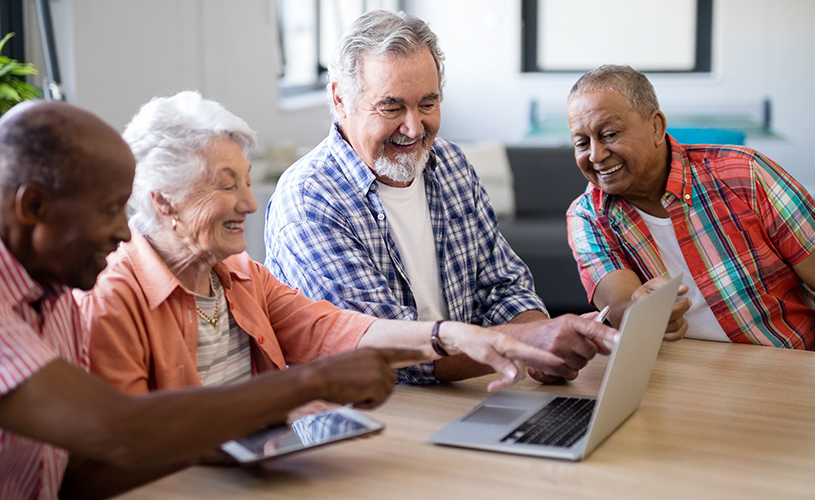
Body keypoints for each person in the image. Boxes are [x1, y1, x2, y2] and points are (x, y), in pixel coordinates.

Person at [0, 100, 436, 498]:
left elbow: (80, 474)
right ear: (32, 208)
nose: (125, 235)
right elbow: (117, 430)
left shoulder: (51, 289)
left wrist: (225, 438)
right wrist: (311, 383)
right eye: (107, 211)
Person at [78, 91, 608, 398]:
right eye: (226, 184)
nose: (250, 203)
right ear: (164, 200)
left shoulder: (239, 276)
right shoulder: (113, 297)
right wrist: (287, 401)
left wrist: (460, 336)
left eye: (246, 182)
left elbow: (340, 328)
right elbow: (127, 445)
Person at [264, 10, 612, 385]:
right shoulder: (309, 201)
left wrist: (541, 341)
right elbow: (388, 351)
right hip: (367, 413)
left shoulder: (449, 163)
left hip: (460, 392)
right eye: (392, 107)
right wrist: (528, 344)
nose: (414, 128)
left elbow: (502, 285)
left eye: (427, 104)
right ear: (340, 98)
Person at [565, 64, 815, 358]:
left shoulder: (745, 173)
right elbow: (621, 307)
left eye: (609, 134)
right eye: (581, 142)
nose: (596, 155)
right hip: (685, 382)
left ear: (657, 126)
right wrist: (641, 311)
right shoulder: (588, 217)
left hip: (793, 365)